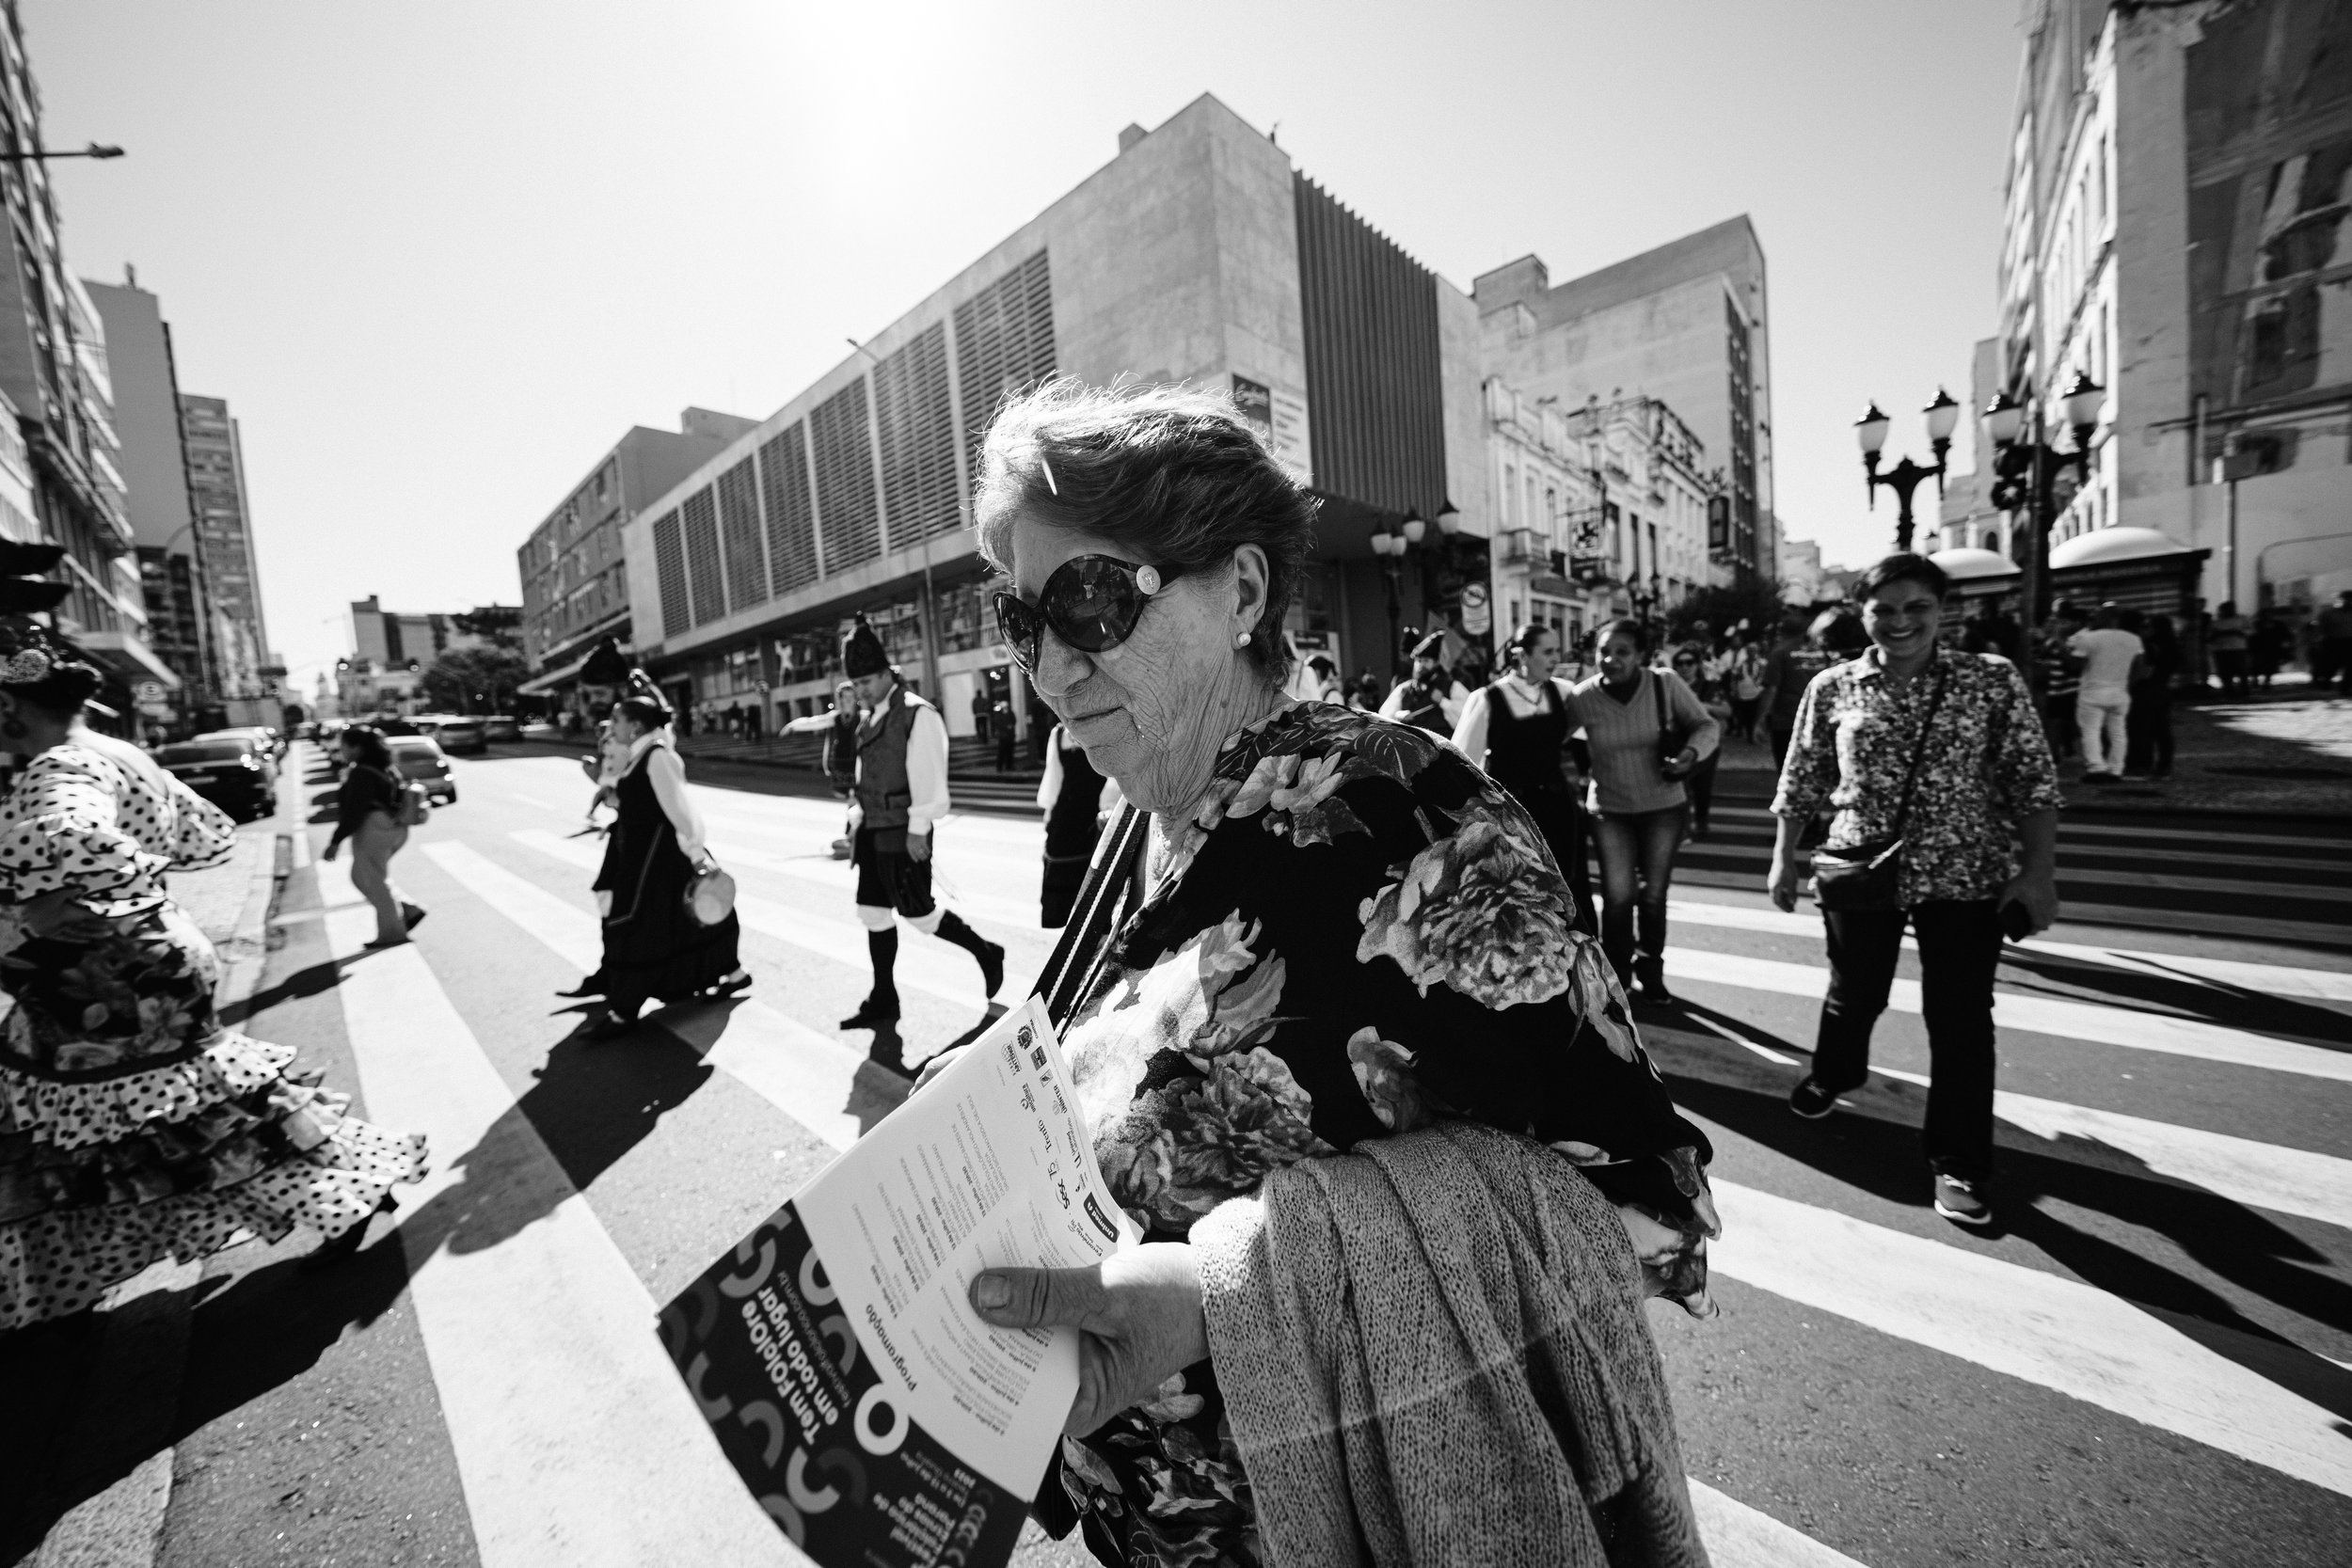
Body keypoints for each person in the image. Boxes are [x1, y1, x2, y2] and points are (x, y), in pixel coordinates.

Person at [944, 379, 1715, 1567]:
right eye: (1022, 619)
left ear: (1242, 590)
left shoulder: (1403, 810)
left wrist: (1225, 1292)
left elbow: (1646, 1207)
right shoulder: (1143, 815)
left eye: (1091, 600)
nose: (1049, 668)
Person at [0, 622, 425, 1328]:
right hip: (147, 954)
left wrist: (45, 899)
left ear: (9, 708)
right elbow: (204, 832)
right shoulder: (119, 753)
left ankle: (336, 1191)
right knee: (191, 1107)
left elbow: (70, 835)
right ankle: (342, 1185)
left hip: (106, 975)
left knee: (124, 1116)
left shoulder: (58, 767)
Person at [1768, 552, 2063, 1228]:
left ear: (1942, 610)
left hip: (1965, 872)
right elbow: (1802, 775)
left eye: (1917, 607)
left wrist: (2038, 869)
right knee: (1855, 992)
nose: (1901, 622)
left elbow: (2032, 778)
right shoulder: (1835, 685)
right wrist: (1784, 857)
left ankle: (1959, 1160)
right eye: (1885, 609)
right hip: (1859, 864)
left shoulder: (1989, 680)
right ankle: (1834, 1074)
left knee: (1960, 1018)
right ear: (1863, 614)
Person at [836, 615, 1006, 1058]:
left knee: (918, 914)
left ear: (887, 673)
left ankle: (987, 951)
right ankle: (883, 997)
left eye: (869, 679)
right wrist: (857, 812)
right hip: (872, 833)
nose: (863, 688)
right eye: (857, 681)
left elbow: (930, 781)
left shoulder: (916, 714)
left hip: (903, 834)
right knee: (872, 913)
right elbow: (863, 779)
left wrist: (918, 830)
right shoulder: (868, 720)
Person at [574, 692, 750, 1037]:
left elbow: (680, 810)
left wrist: (697, 854)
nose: (613, 725)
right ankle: (735, 975)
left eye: (618, 718)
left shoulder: (657, 757)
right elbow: (637, 804)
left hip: (660, 857)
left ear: (636, 724)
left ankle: (625, 1011)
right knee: (686, 922)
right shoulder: (639, 755)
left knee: (645, 926)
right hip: (645, 856)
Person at [1565, 619, 1718, 1000]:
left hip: (1664, 806)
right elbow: (1550, 738)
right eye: (1604, 651)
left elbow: (1705, 725)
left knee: (1652, 894)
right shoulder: (1582, 697)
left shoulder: (1664, 683)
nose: (1611, 659)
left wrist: (1689, 754)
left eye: (1622, 652)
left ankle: (1652, 972)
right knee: (1618, 896)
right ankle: (1618, 975)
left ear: (1640, 656)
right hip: (1610, 810)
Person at [1450, 621, 1598, 934]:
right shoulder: (1487, 699)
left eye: (1557, 650)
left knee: (1571, 887)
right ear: (1521, 655)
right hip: (1511, 813)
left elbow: (1589, 733)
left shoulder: (1563, 692)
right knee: (1519, 894)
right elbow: (1463, 761)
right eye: (1548, 651)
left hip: (1558, 807)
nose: (1555, 658)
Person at [321, 724, 424, 948]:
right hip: (394, 829)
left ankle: (393, 932)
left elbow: (354, 810)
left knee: (372, 880)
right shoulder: (385, 767)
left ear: (357, 747)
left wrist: (335, 841)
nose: (341, 751)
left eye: (344, 746)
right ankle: (406, 909)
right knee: (364, 877)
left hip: (375, 829)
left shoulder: (362, 772)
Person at [1036, 721, 1121, 927]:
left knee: (1098, 896)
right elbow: (1053, 779)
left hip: (1098, 821)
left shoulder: (1107, 726)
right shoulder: (1058, 734)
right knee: (1067, 902)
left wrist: (1109, 809)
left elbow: (1116, 774)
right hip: (1065, 821)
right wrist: (1050, 819)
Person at [2068, 601, 2144, 782]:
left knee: (2091, 731)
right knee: (2118, 732)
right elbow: (2139, 669)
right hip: (2119, 691)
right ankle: (2116, 769)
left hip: (2092, 690)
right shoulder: (2133, 639)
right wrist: (2126, 684)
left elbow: (2074, 665)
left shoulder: (2089, 638)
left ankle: (2096, 767)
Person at [1756, 610, 1835, 768]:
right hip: (1819, 720)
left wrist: (1760, 719)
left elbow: (1771, 689)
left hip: (1786, 721)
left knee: (1788, 768)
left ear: (1781, 631)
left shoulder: (1779, 653)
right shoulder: (1822, 651)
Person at [1670, 643, 1727, 839]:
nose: (1684, 667)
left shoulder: (1709, 687)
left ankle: (1701, 823)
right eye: (1680, 663)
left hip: (1707, 744)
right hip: (1678, 744)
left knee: (1703, 788)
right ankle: (1684, 828)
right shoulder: (1670, 688)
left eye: (1689, 663)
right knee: (1681, 786)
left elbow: (1727, 710)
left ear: (1697, 665)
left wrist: (1701, 706)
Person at [1376, 630, 1470, 736]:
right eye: (1418, 661)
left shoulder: (1452, 686)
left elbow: (1467, 720)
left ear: (1435, 663)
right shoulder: (1403, 688)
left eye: (1426, 661)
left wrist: (1443, 702)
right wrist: (1399, 716)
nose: (1421, 665)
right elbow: (1383, 718)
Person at [2126, 612, 2180, 779]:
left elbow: (2144, 671)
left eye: (2147, 626)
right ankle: (2164, 765)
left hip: (2146, 690)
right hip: (2163, 689)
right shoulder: (2173, 646)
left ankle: (2142, 764)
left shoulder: (2149, 646)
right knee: (2162, 730)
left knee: (2142, 729)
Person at [2209, 600, 2250, 698]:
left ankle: (2244, 691)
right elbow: (2210, 636)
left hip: (2237, 648)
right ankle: (2228, 691)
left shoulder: (2242, 619)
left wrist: (2238, 632)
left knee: (2241, 670)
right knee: (2224, 671)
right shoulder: (2216, 622)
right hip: (2221, 649)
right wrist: (2218, 635)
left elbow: (2250, 631)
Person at [2316, 590, 2352, 696]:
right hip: (2333, 642)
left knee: (2350, 666)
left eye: (2350, 599)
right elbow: (2321, 628)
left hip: (2350, 642)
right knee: (2331, 665)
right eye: (2346, 599)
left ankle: (2345, 687)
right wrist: (2320, 640)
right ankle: (2326, 680)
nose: (2348, 602)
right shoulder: (2328, 613)